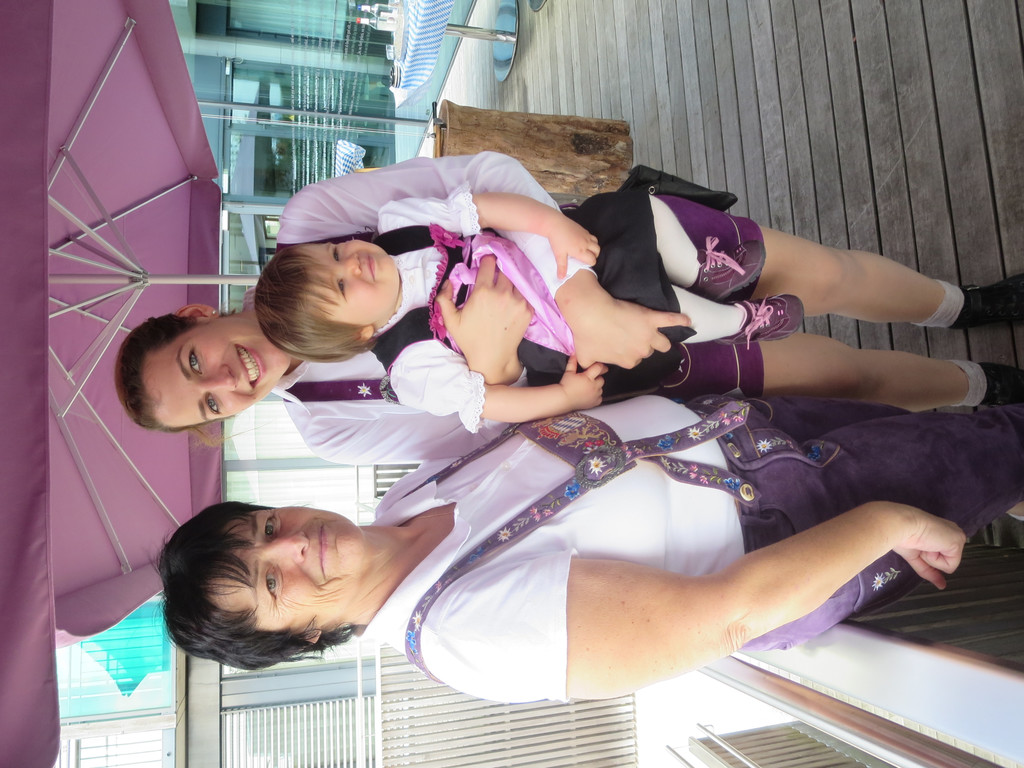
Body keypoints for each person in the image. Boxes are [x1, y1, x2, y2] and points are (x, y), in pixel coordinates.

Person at [116, 152, 1024, 463]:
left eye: (197, 364)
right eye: (208, 405)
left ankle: (961, 305)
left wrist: (578, 293)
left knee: (822, 275)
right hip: (630, 364)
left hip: (607, 249)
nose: (227, 380)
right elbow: (485, 425)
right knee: (836, 376)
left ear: (194, 320)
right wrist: (498, 358)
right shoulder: (328, 424)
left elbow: (481, 179)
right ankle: (985, 385)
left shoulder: (315, 227)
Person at [159, 393, 1024, 702]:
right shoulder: (460, 633)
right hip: (806, 525)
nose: (291, 545)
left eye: (264, 527)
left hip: (749, 434)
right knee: (1002, 444)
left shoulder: (402, 500)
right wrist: (885, 526)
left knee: (982, 443)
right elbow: (724, 618)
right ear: (304, 636)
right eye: (271, 584)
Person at [253, 186, 804, 432]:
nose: (352, 263)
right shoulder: (409, 365)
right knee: (662, 317)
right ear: (360, 333)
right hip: (555, 335)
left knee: (640, 213)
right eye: (342, 287)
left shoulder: (399, 224)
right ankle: (740, 322)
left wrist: (550, 223)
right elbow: (488, 402)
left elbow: (483, 208)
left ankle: (703, 268)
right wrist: (564, 397)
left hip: (557, 261)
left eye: (335, 253)